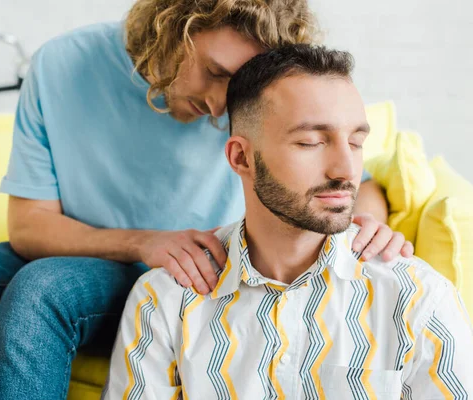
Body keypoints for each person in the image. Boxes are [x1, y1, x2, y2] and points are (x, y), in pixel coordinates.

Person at [0, 1, 412, 399]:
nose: (222, 104)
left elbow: (361, 170)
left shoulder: (265, 101)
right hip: (96, 252)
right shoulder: (61, 66)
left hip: (197, 276)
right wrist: (146, 241)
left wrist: (365, 226)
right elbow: (29, 227)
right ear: (172, 25)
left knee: (40, 289)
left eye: (244, 81)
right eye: (217, 72)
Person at [103, 45, 473, 399]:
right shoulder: (164, 301)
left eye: (356, 143)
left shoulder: (418, 297)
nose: (346, 170)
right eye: (312, 142)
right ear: (242, 157)